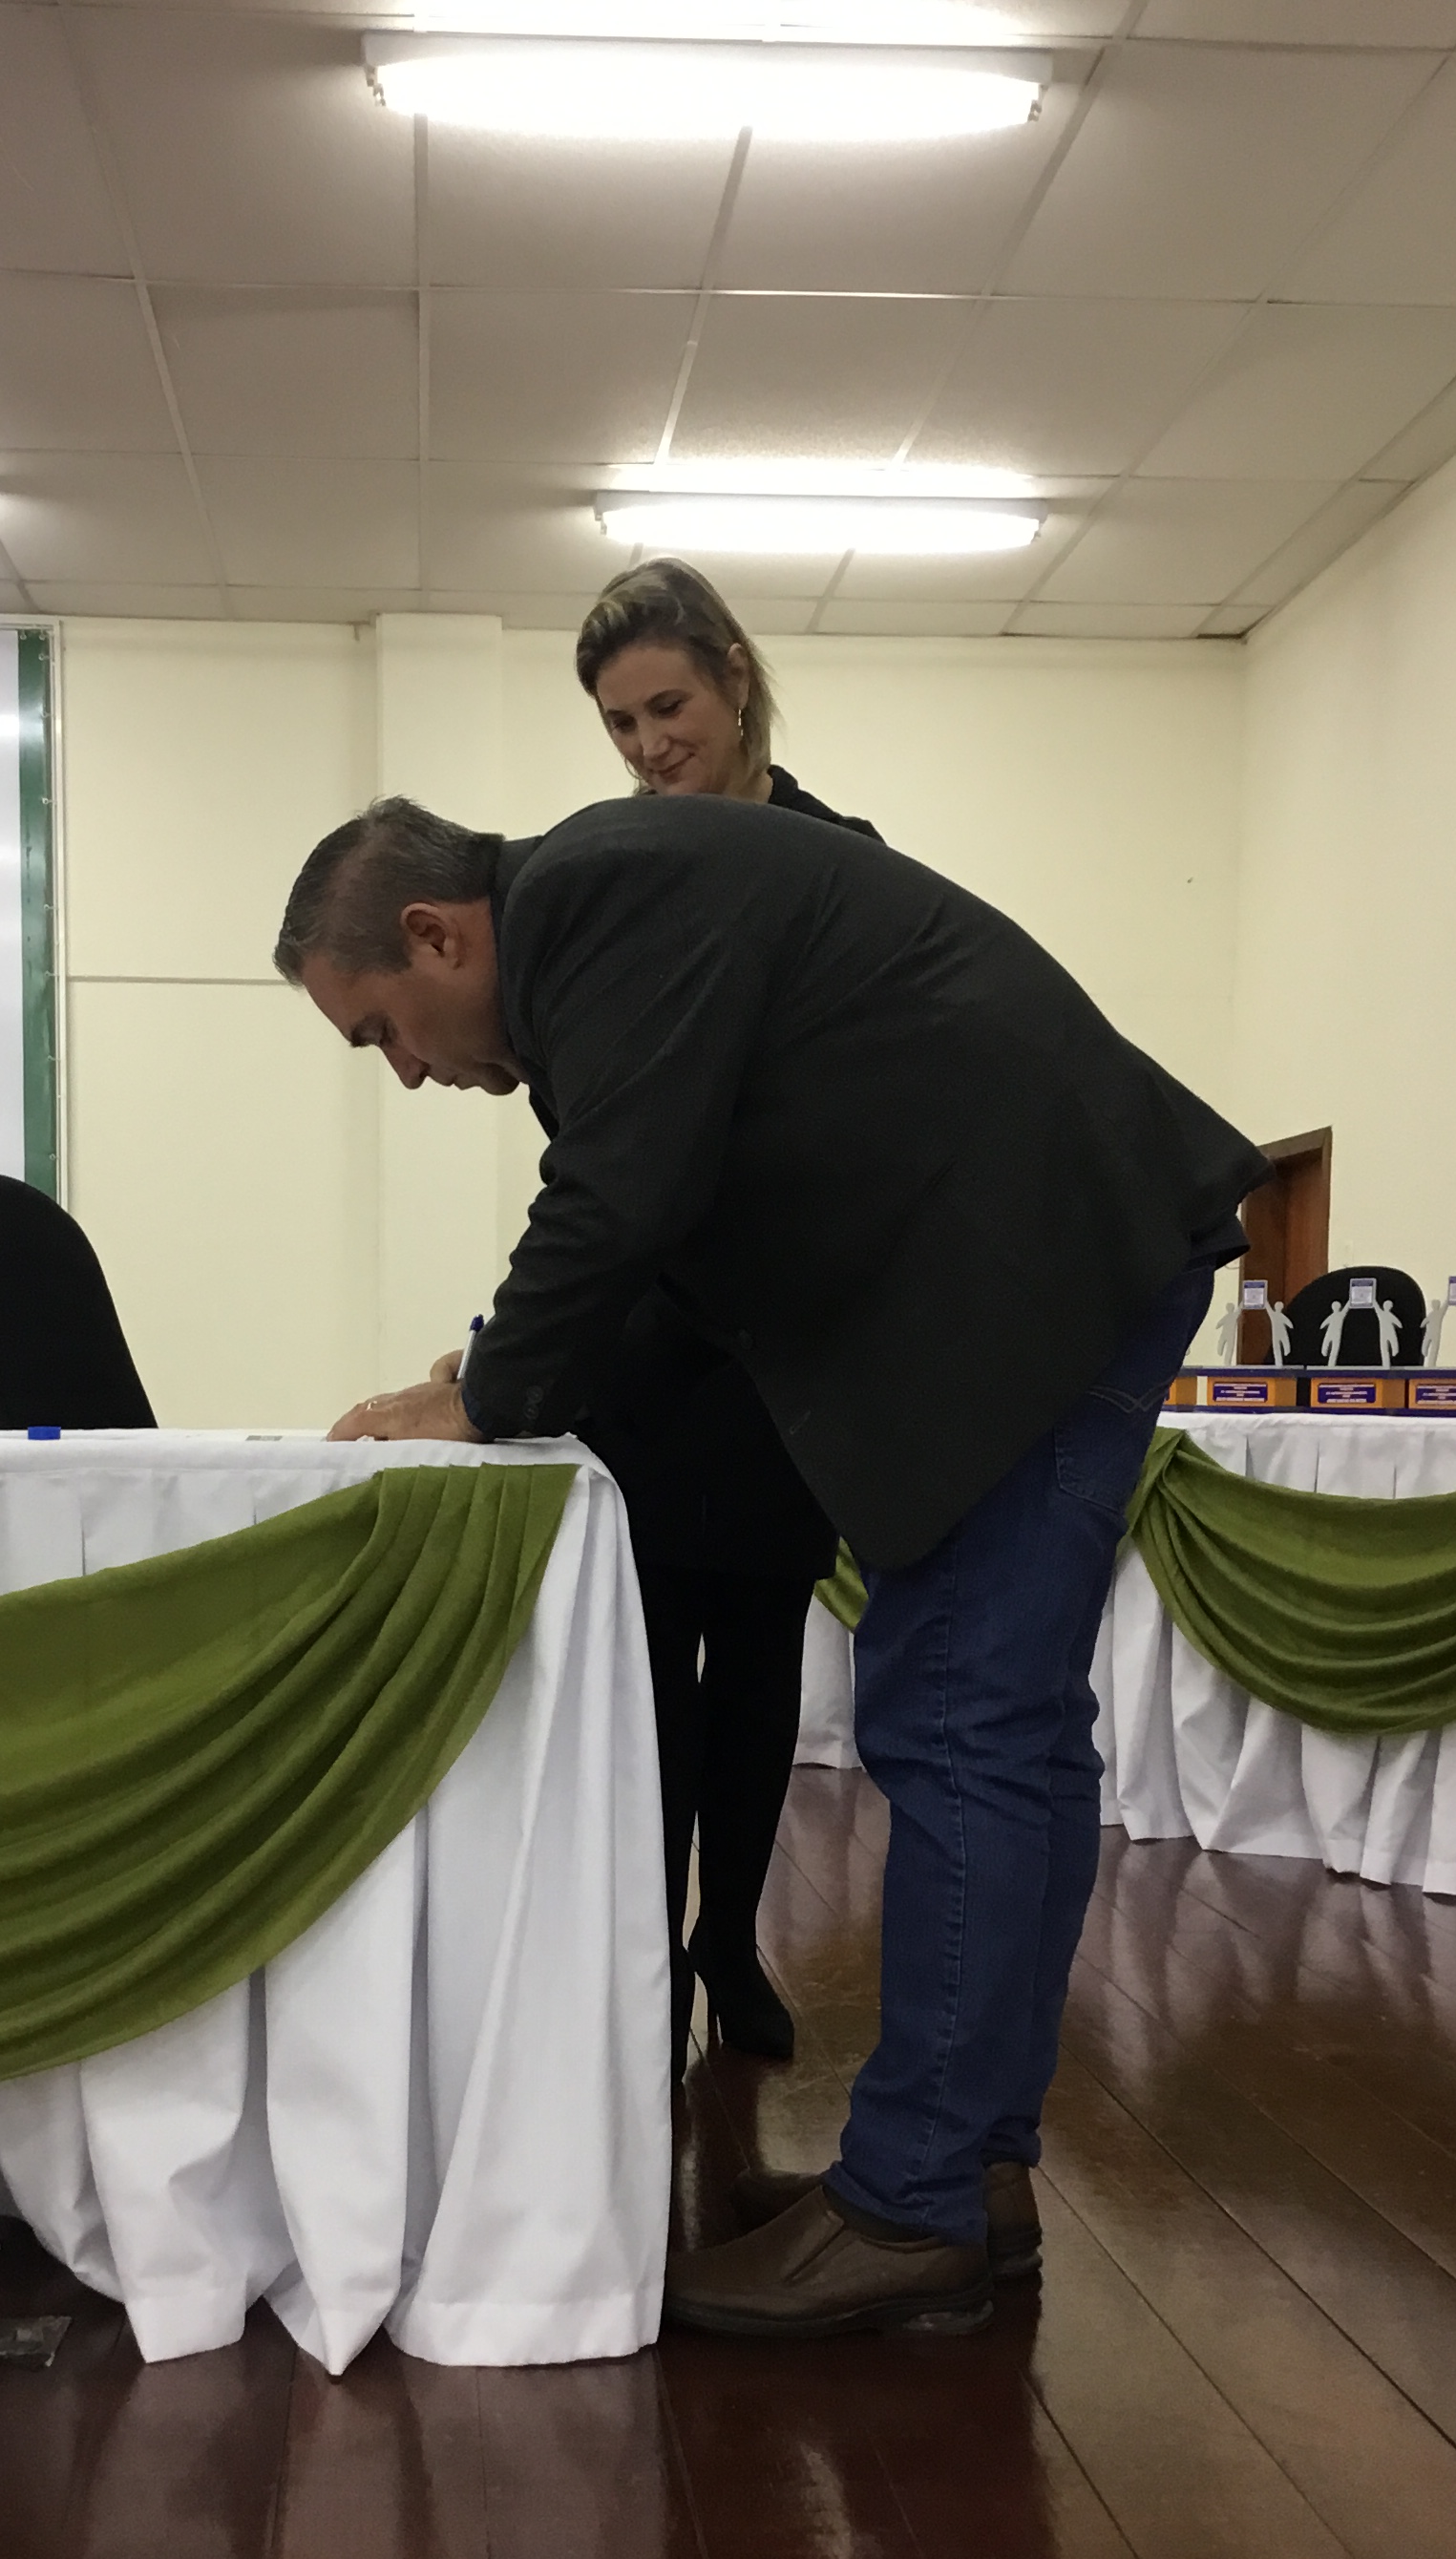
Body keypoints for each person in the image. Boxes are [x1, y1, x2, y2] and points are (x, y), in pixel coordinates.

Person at [275, 793, 1262, 2341]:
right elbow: (676, 1252)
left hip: (1036, 1267)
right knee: (1003, 1728)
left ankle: (915, 2202)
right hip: (1050, 1255)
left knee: (963, 1721)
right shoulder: (618, 917)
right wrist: (510, 1367)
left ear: (434, 934)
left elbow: (617, 1200)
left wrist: (494, 1389)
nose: (405, 1070)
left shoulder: (590, 903)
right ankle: (970, 2168)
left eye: (380, 1031)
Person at [570, 558, 869, 2078]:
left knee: (756, 1672)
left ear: (737, 679)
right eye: (621, 725)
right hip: (644, 1350)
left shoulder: (842, 865)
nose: (648, 747)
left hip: (768, 1353)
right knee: (647, 1687)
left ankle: (728, 1941)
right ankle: (644, 1953)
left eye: (667, 707)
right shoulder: (623, 868)